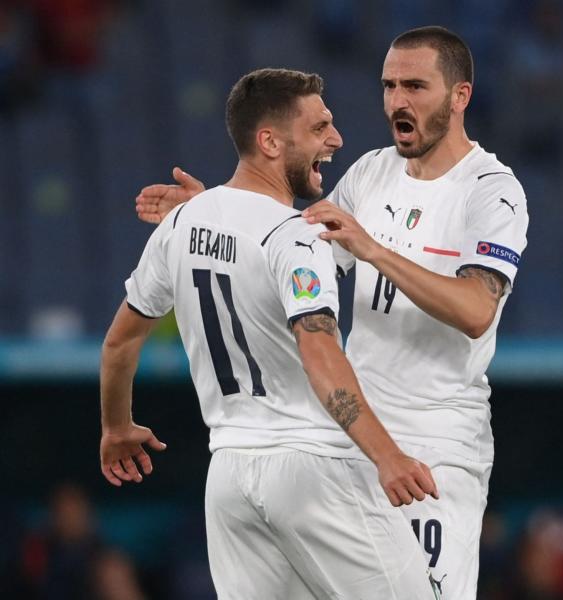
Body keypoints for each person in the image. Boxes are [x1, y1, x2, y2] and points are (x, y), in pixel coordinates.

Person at [134, 27, 528, 599]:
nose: (398, 101)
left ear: (460, 96)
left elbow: (475, 311)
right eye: (389, 86)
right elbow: (296, 245)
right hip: (349, 441)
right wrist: (213, 211)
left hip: (435, 447)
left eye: (415, 86)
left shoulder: (491, 190)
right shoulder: (371, 171)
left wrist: (373, 250)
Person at [100, 67, 439, 599]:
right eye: (320, 127)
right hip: (312, 470)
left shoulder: (183, 223)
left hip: (230, 477)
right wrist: (386, 455)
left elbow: (120, 342)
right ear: (270, 142)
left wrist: (116, 427)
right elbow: (320, 354)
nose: (336, 139)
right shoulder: (296, 239)